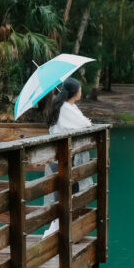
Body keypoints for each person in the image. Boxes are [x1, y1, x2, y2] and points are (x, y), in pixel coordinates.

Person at [43, 77, 93, 236]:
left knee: (64, 193)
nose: (81, 91)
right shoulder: (65, 108)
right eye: (80, 88)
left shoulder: (66, 106)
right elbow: (84, 124)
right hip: (64, 157)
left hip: (60, 155)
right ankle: (58, 232)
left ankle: (62, 230)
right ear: (74, 92)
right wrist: (87, 122)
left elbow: (81, 122)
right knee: (65, 194)